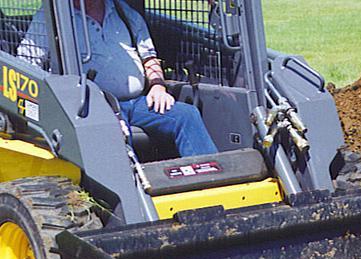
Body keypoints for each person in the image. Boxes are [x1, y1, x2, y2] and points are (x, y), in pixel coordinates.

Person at [17, 0, 218, 158]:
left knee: (186, 115)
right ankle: (135, 200)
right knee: (112, 132)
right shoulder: (51, 17)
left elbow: (149, 57)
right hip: (88, 106)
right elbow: (27, 65)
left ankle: (213, 185)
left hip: (137, 102)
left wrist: (158, 86)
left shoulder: (124, 12)